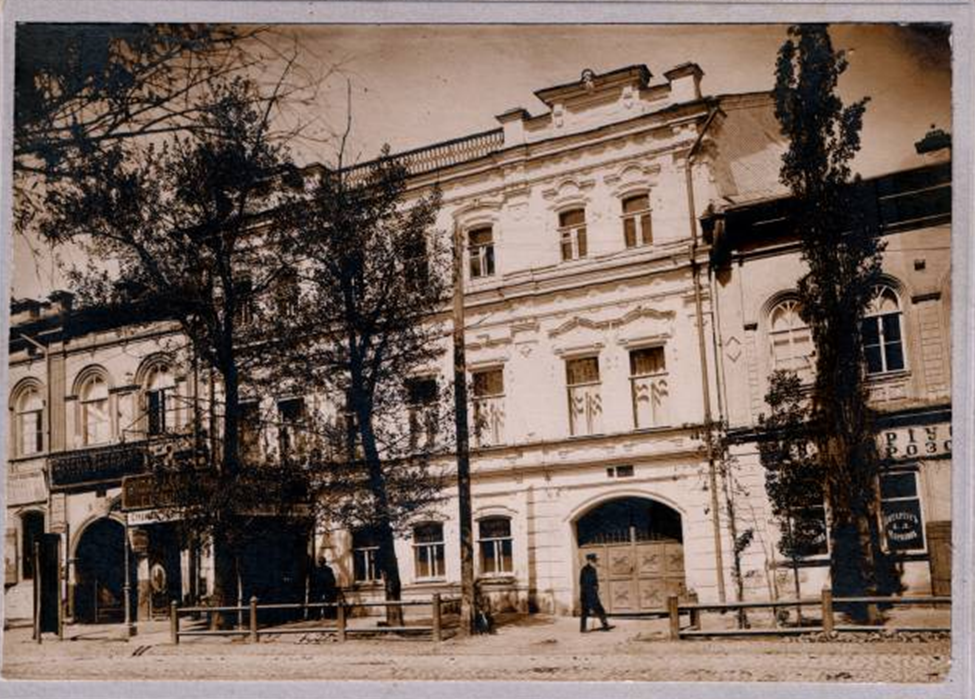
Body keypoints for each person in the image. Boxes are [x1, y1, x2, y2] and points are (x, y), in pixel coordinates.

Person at [579, 552, 613, 633]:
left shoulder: (593, 569)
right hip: (587, 594)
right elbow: (584, 583)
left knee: (599, 609)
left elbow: (594, 581)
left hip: (591, 593)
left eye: (596, 560)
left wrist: (596, 586)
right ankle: (583, 628)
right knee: (586, 611)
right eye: (595, 560)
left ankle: (605, 625)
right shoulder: (585, 570)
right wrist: (591, 592)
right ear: (590, 561)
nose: (596, 562)